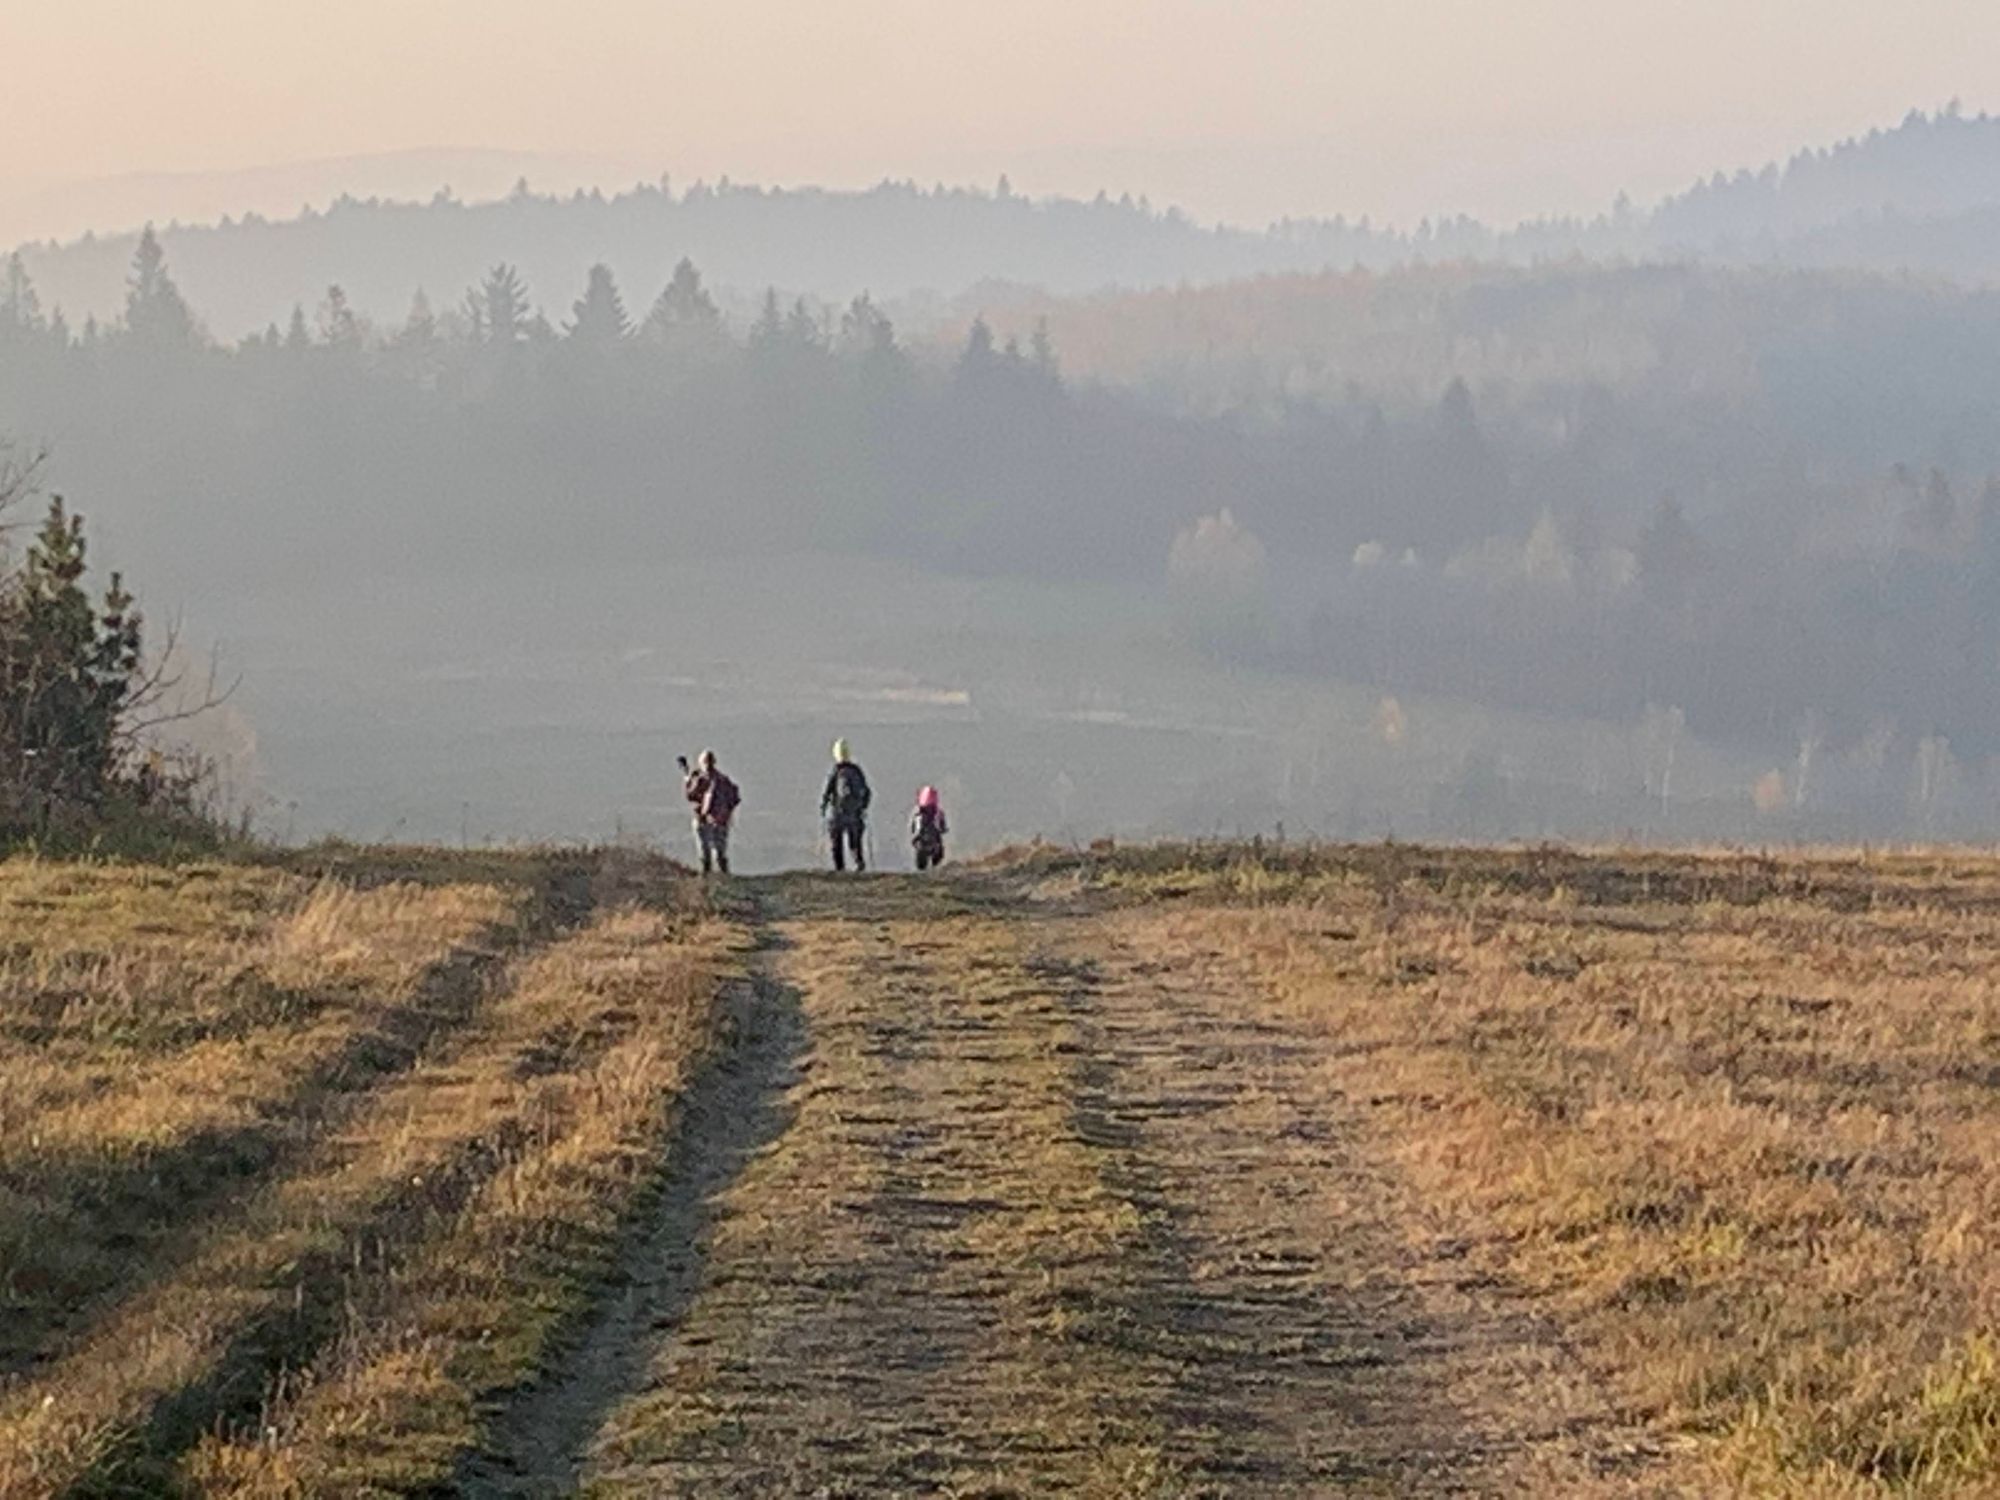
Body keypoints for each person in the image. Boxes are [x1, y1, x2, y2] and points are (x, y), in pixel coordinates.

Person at [681, 749, 740, 876]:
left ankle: (716, 878)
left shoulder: (713, 780)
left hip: (712, 820)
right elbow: (735, 799)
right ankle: (716, 877)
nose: (707, 765)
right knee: (712, 854)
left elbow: (690, 796)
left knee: (713, 854)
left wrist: (687, 779)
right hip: (712, 820)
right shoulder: (719, 780)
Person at [820, 738, 871, 872]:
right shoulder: (857, 771)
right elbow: (867, 792)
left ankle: (840, 868)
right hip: (854, 814)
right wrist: (863, 807)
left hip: (837, 814)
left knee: (836, 843)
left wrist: (823, 807)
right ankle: (859, 863)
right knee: (855, 842)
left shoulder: (835, 771)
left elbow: (827, 791)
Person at [910, 785, 948, 871]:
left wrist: (942, 828)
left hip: (931, 836)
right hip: (922, 836)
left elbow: (941, 825)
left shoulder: (937, 813)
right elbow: (914, 826)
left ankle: (935, 858)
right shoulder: (918, 813)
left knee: (939, 847)